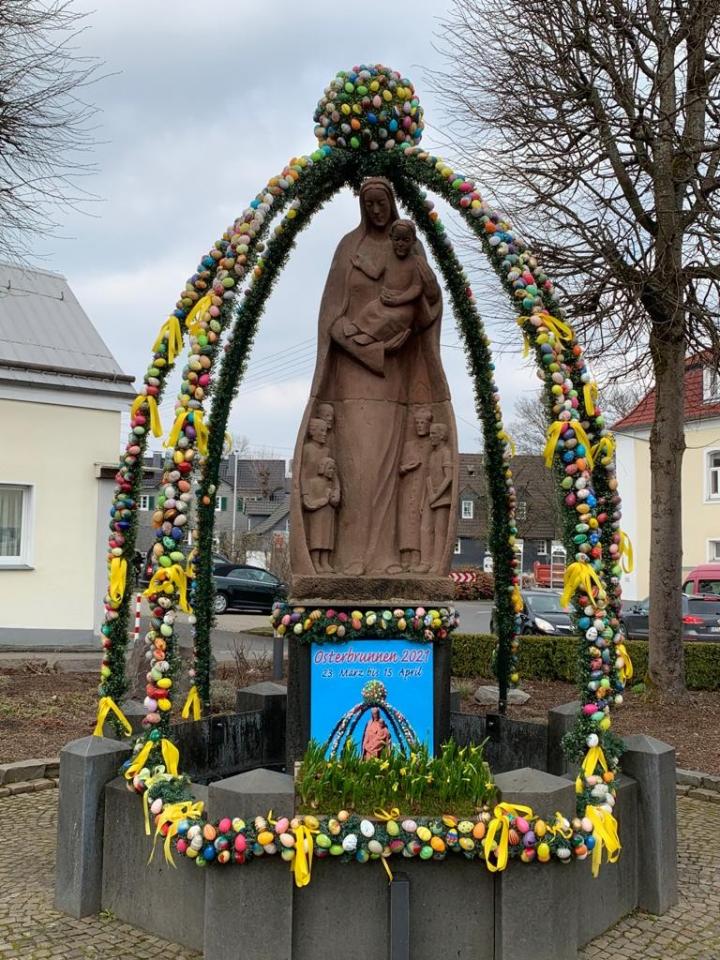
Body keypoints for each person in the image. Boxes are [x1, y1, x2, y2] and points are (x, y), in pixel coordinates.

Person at [289, 177, 456, 579]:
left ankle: (383, 558)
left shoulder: (410, 248)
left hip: (392, 377)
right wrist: (361, 344)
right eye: (369, 204)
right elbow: (331, 314)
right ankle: (347, 559)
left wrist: (404, 321)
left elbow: (429, 304)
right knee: (355, 467)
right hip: (351, 374)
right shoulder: (349, 247)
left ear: (392, 203)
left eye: (382, 203)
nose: (377, 211)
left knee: (385, 468)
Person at [398, 407, 433, 572]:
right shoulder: (408, 445)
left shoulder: (431, 445)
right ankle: (404, 556)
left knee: (418, 522)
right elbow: (399, 468)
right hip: (407, 488)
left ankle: (416, 557)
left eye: (422, 423)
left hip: (422, 489)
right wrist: (407, 468)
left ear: (428, 425)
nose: (419, 426)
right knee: (406, 521)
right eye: (417, 423)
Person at [422, 422, 453, 574]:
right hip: (430, 497)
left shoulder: (445, 452)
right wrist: (425, 500)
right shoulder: (432, 454)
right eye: (430, 433)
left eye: (433, 433)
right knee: (425, 529)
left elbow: (449, 477)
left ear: (441, 436)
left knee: (439, 532)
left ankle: (436, 563)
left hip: (442, 498)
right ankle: (425, 562)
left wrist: (436, 495)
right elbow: (428, 477)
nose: (430, 436)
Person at [301, 456, 340, 573]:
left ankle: (325, 562)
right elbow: (307, 503)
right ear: (322, 469)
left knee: (327, 538)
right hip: (317, 516)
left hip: (329, 515)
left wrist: (334, 495)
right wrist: (323, 500)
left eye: (333, 469)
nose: (332, 472)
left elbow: (335, 501)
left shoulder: (332, 485)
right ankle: (315, 562)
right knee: (317, 538)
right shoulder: (312, 482)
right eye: (330, 469)